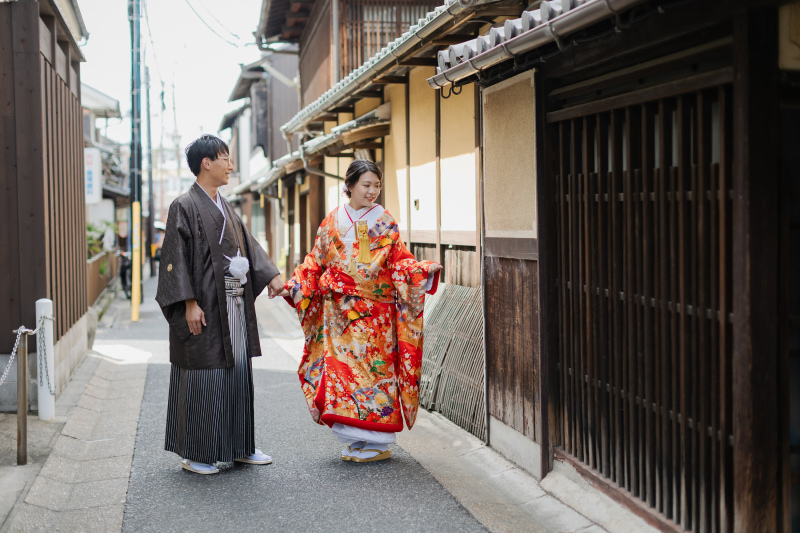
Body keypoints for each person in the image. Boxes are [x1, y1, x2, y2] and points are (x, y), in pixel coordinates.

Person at [279, 160, 441, 463]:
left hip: (374, 318)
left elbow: (399, 262)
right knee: (342, 372)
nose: (372, 191)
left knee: (373, 373)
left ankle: (377, 440)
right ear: (350, 185)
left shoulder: (385, 221)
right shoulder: (331, 221)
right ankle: (355, 436)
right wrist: (294, 285)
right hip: (338, 316)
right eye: (366, 185)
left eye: (377, 185)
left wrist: (421, 271)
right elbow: (315, 261)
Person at [155, 134, 285, 475]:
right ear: (206, 163)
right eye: (225, 158)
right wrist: (188, 303)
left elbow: (248, 245)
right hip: (204, 307)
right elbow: (174, 258)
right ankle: (197, 453)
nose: (231, 165)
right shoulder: (184, 205)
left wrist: (271, 275)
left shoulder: (225, 207)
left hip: (234, 304)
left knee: (238, 373)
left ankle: (240, 446)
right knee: (206, 376)